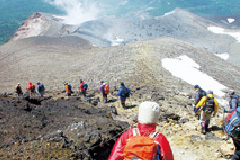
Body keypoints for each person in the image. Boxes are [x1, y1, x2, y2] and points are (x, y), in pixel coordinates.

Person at [108, 101, 174, 160]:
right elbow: (167, 157)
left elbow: (115, 156)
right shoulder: (160, 138)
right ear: (156, 117)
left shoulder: (127, 135)